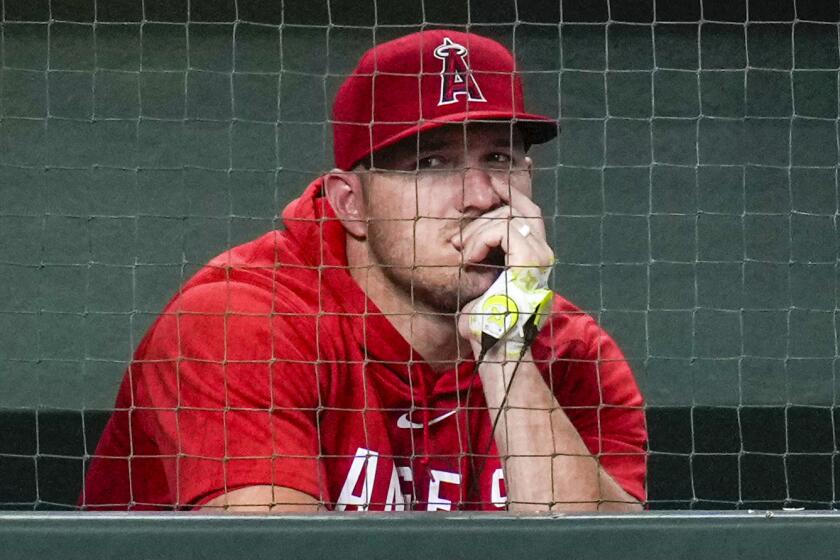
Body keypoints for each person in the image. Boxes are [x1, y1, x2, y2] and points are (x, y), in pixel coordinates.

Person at [81, 29, 646, 512]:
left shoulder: (573, 354)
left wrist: (504, 346)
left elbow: (602, 549)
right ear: (351, 202)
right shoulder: (238, 324)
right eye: (432, 163)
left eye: (499, 158)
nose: (480, 196)